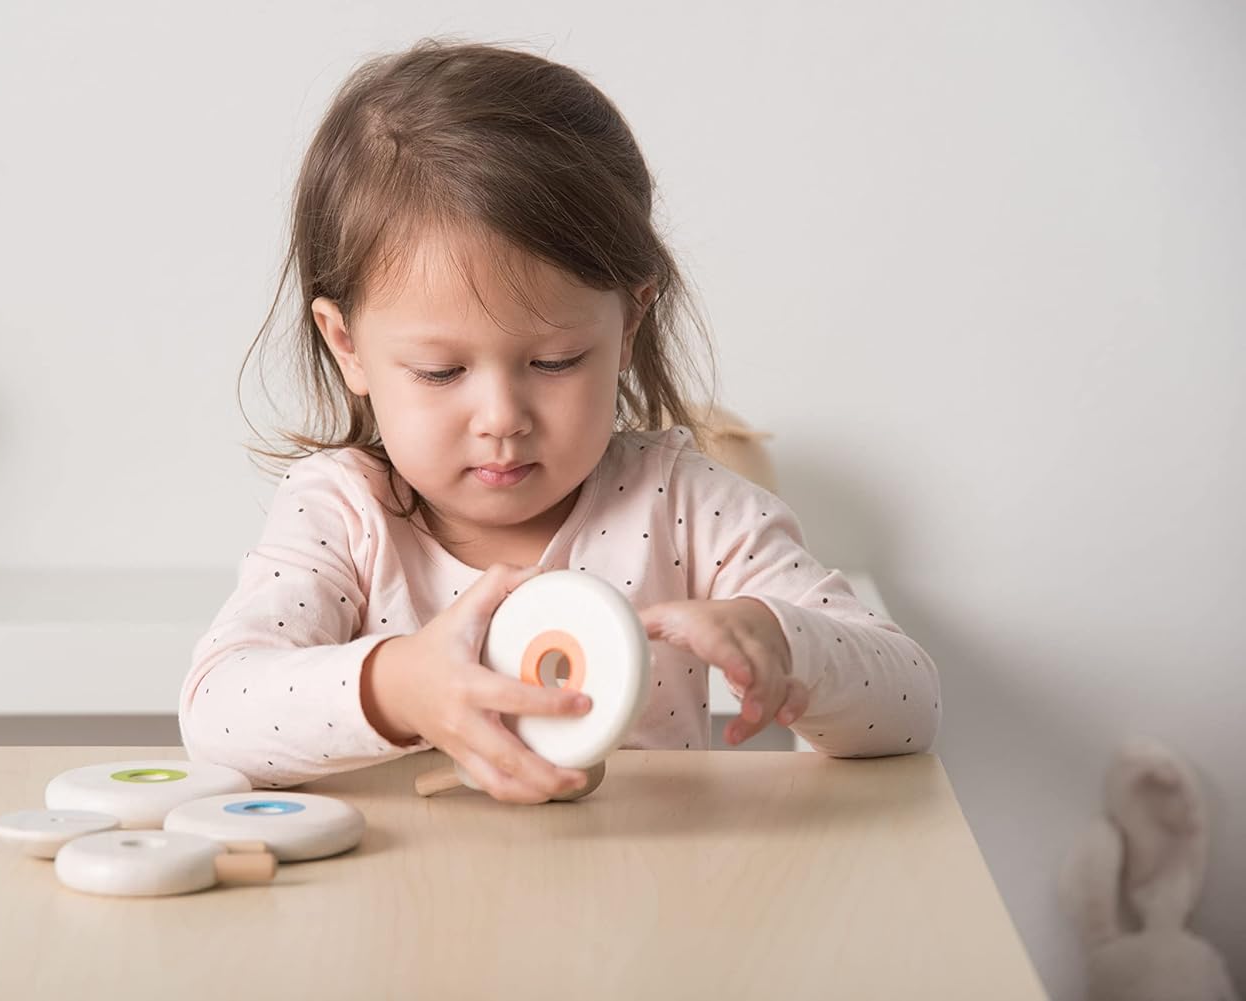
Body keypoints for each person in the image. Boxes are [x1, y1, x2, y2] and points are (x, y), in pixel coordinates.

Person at [179, 39, 941, 804]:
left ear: (629, 323)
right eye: (442, 372)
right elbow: (216, 709)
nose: (503, 418)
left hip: (643, 902)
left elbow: (911, 702)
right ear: (348, 346)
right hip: (407, 913)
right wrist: (398, 686)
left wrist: (783, 638)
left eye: (555, 361)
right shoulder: (342, 514)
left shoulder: (685, 506)